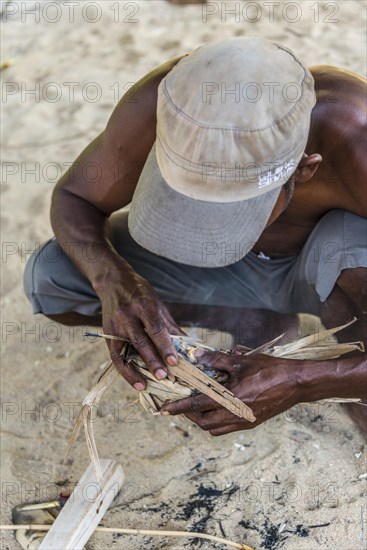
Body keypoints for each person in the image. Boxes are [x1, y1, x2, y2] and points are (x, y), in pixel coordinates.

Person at [24, 38, 366, 435]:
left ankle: (347, 376)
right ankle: (256, 321)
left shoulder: (356, 139)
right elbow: (73, 197)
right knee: (53, 274)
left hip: (316, 271)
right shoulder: (173, 102)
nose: (211, 227)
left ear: (304, 170)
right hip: (239, 274)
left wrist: (302, 380)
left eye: (234, 209)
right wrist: (115, 283)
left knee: (356, 256)